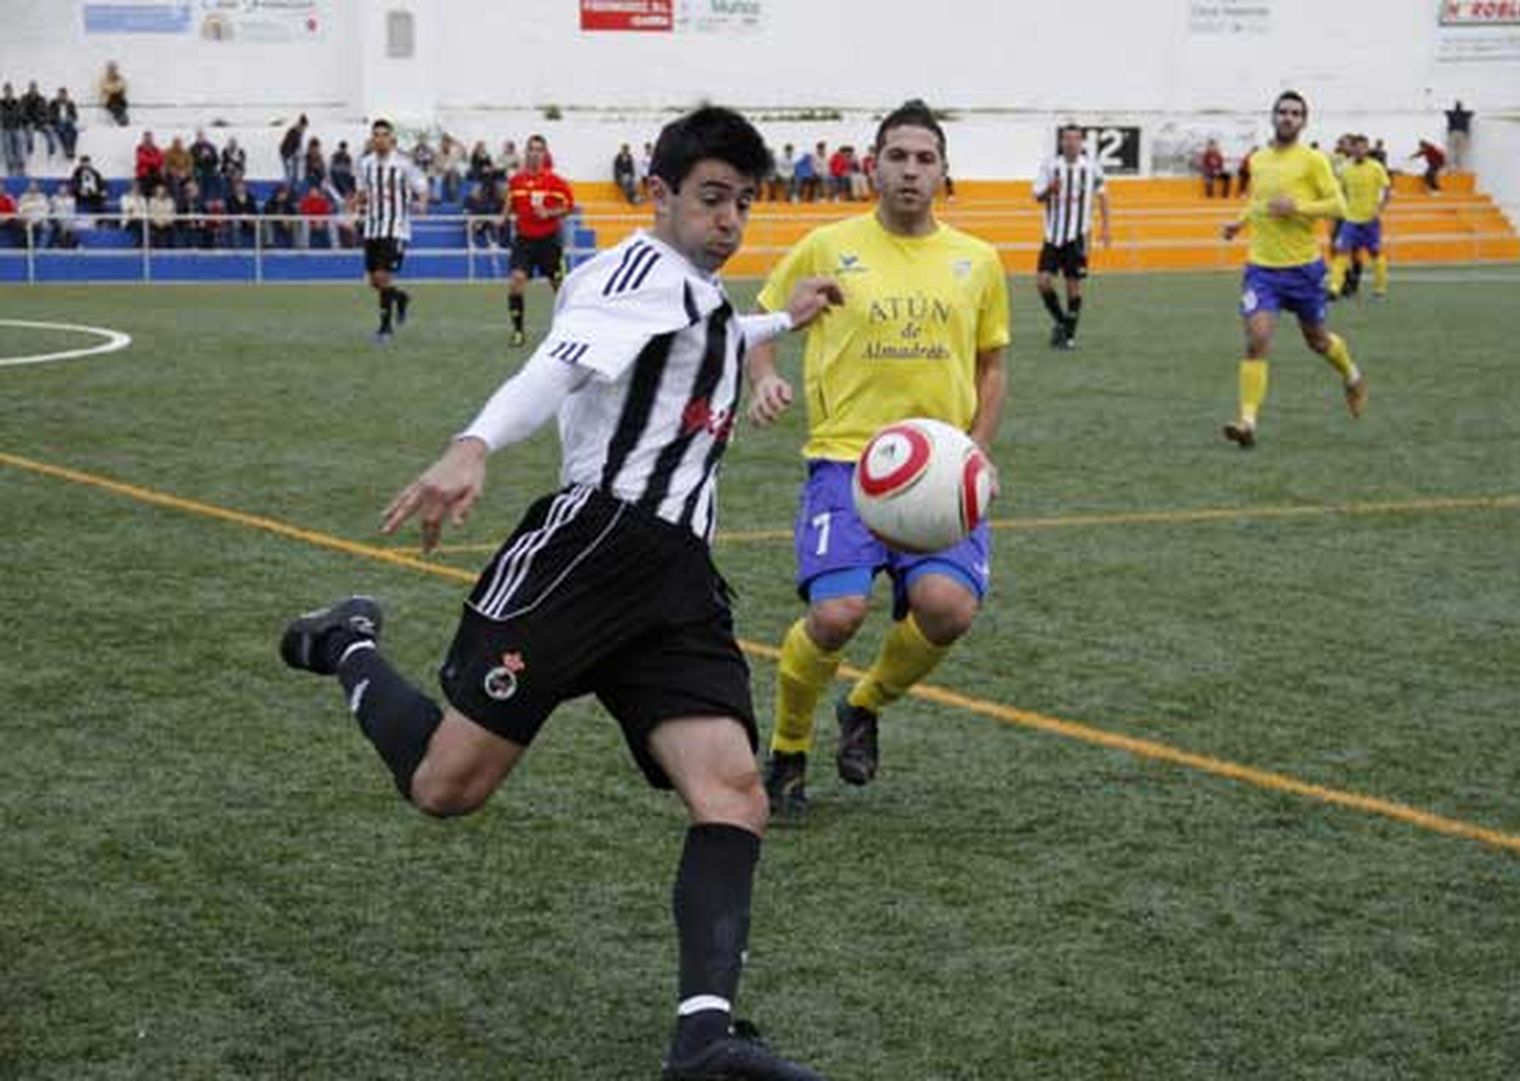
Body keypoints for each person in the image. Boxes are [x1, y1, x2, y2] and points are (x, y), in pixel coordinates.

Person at [278, 103, 837, 1081]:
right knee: (446, 788)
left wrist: (788, 315)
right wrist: (473, 445)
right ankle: (348, 644)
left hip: (677, 580)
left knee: (733, 794)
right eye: (711, 199)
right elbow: (563, 358)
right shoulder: (633, 272)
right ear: (656, 194)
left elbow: (706, 324)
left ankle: (703, 1038)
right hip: (592, 547)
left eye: (744, 204)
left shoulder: (694, 296)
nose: (729, 221)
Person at [746, 99, 1010, 817]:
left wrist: (977, 453)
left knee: (948, 608)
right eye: (898, 156)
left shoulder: (977, 261)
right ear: (873, 166)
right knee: (837, 614)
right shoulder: (827, 245)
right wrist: (765, 374)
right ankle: (788, 748)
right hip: (845, 461)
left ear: (944, 173)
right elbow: (766, 320)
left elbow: (992, 366)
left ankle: (863, 706)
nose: (911, 171)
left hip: (942, 468)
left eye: (926, 159)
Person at [1219, 91, 1366, 449]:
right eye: (1282, 112)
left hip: (1303, 269)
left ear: (1304, 121)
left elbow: (1339, 206)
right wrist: (1239, 223)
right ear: (1273, 117)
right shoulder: (1258, 159)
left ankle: (1351, 376)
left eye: (1295, 114)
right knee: (1257, 342)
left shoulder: (1313, 161)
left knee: (1317, 340)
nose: (1288, 118)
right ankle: (1248, 422)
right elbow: (1257, 200)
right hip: (1262, 270)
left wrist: (1297, 206)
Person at [1032, 124, 1112, 351]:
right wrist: (1050, 190)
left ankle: (1068, 337)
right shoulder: (1050, 166)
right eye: (1067, 139)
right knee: (1042, 282)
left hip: (1077, 236)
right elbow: (1037, 196)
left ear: (1081, 142)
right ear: (1061, 142)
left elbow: (1103, 197)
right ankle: (1061, 320)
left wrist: (1106, 227)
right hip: (1052, 235)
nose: (1071, 143)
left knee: (1073, 286)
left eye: (1076, 139)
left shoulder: (1092, 167)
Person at [355, 118, 426, 343]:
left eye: (384, 135)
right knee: (375, 282)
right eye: (376, 135)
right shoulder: (365, 164)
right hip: (372, 227)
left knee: (382, 275)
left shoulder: (403, 164)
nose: (380, 139)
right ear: (372, 139)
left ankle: (385, 329)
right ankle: (400, 297)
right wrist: (353, 210)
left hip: (396, 227)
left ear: (391, 138)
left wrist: (422, 202)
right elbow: (362, 192)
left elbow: (421, 186)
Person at [502, 134, 574, 347]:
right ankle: (517, 331)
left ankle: (569, 331)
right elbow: (510, 203)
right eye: (531, 149)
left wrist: (550, 212)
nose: (535, 153)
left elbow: (569, 206)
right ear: (526, 153)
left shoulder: (556, 182)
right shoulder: (516, 181)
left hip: (549, 242)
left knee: (560, 289)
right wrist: (502, 218)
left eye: (539, 149)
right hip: (524, 241)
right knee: (516, 281)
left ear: (545, 154)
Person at [1327, 135, 1390, 301]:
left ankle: (1380, 289)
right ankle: (1334, 288)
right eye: (1358, 147)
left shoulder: (1376, 167)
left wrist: (1380, 207)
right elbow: (1339, 192)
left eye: (1364, 147)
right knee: (1341, 251)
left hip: (1370, 220)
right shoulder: (1345, 169)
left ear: (1367, 149)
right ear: (1353, 149)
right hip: (1350, 220)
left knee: (1375, 253)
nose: (1361, 150)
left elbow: (1385, 189)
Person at [21, 81, 52, 159]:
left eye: (34, 88)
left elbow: (47, 112)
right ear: (29, 89)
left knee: (49, 129)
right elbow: (21, 112)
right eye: (31, 88)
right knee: (30, 129)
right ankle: (30, 148)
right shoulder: (24, 99)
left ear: (36, 89)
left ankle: (51, 149)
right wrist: (28, 120)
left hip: (40, 122)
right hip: (29, 122)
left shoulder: (42, 99)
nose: (33, 90)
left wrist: (43, 120)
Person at [0, 84, 25, 177]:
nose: (8, 93)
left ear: (12, 92)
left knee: (19, 143)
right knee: (7, 145)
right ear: (4, 92)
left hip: (16, 127)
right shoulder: (1, 103)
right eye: (6, 91)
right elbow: (2, 116)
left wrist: (12, 117)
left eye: (9, 91)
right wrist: (10, 116)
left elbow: (20, 114)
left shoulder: (16, 102)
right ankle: (10, 167)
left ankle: (21, 167)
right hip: (6, 128)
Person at [17, 180, 49, 247]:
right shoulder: (23, 197)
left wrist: (38, 220)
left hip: (40, 221)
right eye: (31, 186)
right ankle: (23, 249)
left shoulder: (43, 197)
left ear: (38, 188)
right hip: (26, 221)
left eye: (35, 186)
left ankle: (40, 250)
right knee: (20, 227)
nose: (33, 188)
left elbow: (46, 211)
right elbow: (20, 210)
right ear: (28, 188)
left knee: (48, 228)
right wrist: (26, 220)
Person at [49, 88, 79, 161]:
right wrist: (57, 119)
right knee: (62, 131)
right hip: (57, 122)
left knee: (74, 132)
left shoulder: (70, 103)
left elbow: (75, 115)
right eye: (61, 95)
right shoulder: (53, 103)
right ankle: (67, 150)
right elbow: (50, 115)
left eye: (64, 95)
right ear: (58, 95)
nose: (62, 96)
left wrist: (71, 118)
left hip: (68, 122)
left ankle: (72, 149)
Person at [49, 183, 80, 248]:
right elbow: (51, 210)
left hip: (68, 221)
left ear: (67, 191)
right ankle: (59, 245)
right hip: (57, 221)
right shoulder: (54, 198)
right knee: (57, 226)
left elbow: (71, 212)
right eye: (60, 189)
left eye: (64, 189)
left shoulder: (71, 200)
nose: (62, 191)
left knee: (71, 227)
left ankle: (74, 245)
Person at [1445, 100, 1473, 171]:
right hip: (1462, 134)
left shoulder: (1451, 113)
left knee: (1451, 150)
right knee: (1460, 152)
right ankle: (1460, 168)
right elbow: (1471, 113)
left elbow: (1446, 112)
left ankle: (1450, 168)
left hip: (1453, 133)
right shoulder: (1465, 114)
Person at [99, 61, 129, 126]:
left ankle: (122, 118)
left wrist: (113, 89)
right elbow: (105, 89)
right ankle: (121, 119)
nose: (112, 71)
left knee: (119, 103)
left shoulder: (120, 78)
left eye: (113, 69)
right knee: (115, 104)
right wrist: (114, 89)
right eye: (111, 69)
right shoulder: (104, 79)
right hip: (109, 100)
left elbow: (123, 87)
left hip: (119, 99)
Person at [134, 131, 163, 195]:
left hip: (155, 172)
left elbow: (160, 159)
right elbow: (142, 159)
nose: (148, 140)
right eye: (146, 138)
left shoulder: (156, 149)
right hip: (144, 173)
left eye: (149, 138)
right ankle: (147, 200)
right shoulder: (140, 148)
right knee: (146, 183)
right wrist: (153, 160)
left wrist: (152, 161)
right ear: (143, 139)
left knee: (162, 182)